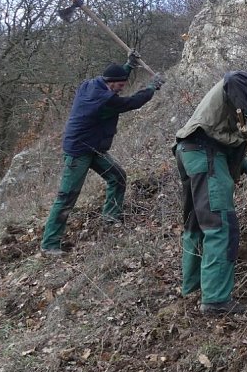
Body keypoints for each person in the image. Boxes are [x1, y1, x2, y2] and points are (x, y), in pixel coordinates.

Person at [174, 64, 247, 315]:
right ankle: (215, 300)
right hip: (204, 152)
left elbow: (226, 142)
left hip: (192, 151)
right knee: (220, 225)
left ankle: (193, 286)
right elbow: (234, 79)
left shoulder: (237, 103)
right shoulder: (245, 82)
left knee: (196, 225)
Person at [40, 52, 164, 256]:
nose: (122, 88)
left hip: (93, 148)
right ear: (111, 83)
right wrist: (152, 87)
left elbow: (116, 77)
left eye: (123, 84)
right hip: (78, 152)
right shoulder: (103, 101)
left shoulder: (91, 84)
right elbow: (132, 103)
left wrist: (128, 65)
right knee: (67, 197)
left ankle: (111, 217)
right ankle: (49, 244)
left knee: (118, 177)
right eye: (121, 85)